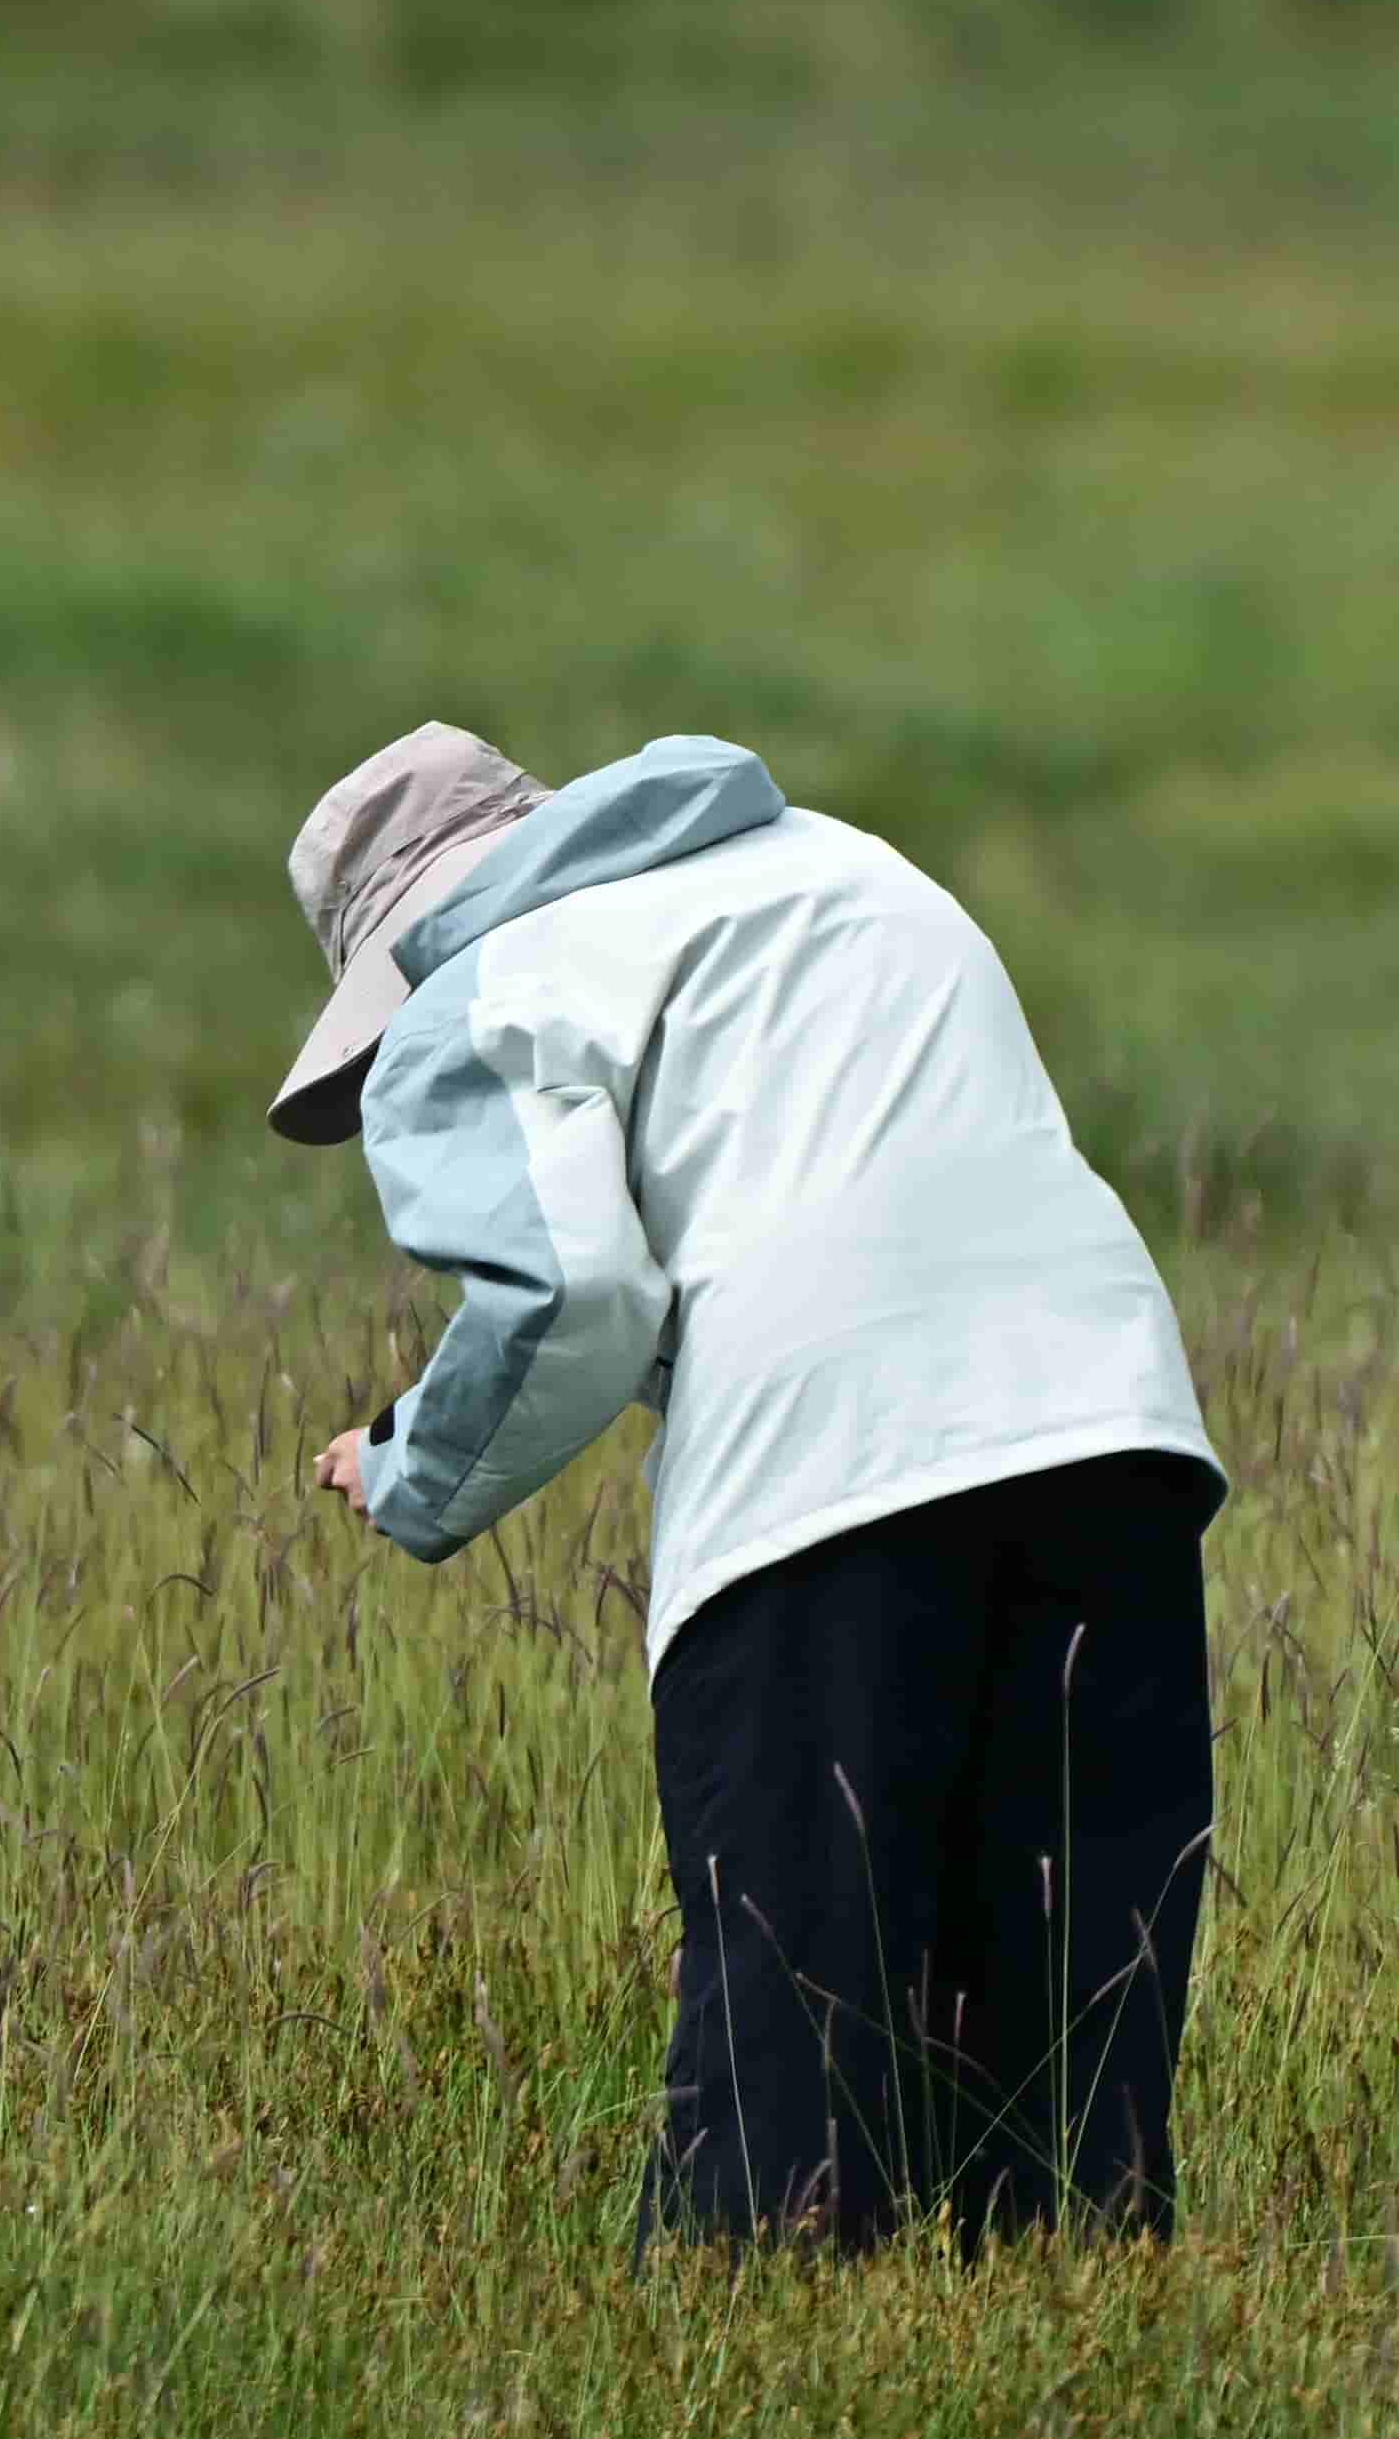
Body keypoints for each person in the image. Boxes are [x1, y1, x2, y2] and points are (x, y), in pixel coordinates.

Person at [274, 718, 1221, 2250]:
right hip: (1113, 1429)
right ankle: (1083, 2386)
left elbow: (573, 1294)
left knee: (793, 2045)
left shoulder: (490, 979)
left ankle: (749, 2388)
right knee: (1070, 2034)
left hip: (823, 1486)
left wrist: (410, 1466)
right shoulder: (846, 864)